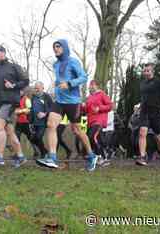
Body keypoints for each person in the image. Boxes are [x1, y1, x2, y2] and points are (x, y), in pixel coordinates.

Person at [37, 39, 98, 171]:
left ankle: (91, 155)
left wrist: (69, 84)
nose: (56, 49)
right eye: (54, 47)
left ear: (64, 48)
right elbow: (60, 79)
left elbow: (84, 77)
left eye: (58, 47)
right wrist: (57, 85)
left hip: (73, 102)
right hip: (59, 101)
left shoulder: (73, 62)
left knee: (76, 130)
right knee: (50, 124)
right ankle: (52, 157)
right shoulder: (56, 64)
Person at [0, 45, 29, 167]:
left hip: (10, 101)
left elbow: (25, 81)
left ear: (3, 53)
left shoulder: (13, 67)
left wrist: (13, 85)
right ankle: (20, 156)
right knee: (9, 132)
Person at [137, 63, 160, 166]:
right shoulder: (142, 84)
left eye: (148, 71)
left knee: (157, 135)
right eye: (145, 71)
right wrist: (140, 105)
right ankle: (142, 157)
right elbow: (144, 97)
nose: (146, 72)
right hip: (144, 111)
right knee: (142, 133)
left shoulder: (158, 82)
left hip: (156, 112)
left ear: (152, 72)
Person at [83, 80, 113, 163]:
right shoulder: (89, 97)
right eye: (90, 85)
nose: (91, 87)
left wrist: (99, 108)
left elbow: (110, 106)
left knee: (92, 137)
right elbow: (86, 110)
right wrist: (83, 107)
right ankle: (103, 156)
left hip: (99, 120)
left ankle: (100, 156)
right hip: (90, 122)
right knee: (95, 139)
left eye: (93, 85)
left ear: (97, 86)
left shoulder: (102, 94)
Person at [30, 81, 53, 158]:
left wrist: (45, 113)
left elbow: (52, 108)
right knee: (33, 139)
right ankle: (44, 151)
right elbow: (31, 109)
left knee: (38, 137)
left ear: (42, 88)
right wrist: (30, 121)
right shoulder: (33, 97)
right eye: (35, 88)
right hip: (34, 122)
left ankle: (44, 153)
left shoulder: (47, 97)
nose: (36, 90)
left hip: (43, 122)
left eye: (38, 88)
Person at [15, 88, 39, 158]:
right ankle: (18, 154)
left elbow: (30, 109)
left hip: (26, 122)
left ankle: (36, 151)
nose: (19, 92)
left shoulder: (26, 99)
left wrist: (21, 111)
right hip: (18, 122)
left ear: (23, 92)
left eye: (20, 91)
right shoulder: (16, 99)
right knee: (16, 138)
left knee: (30, 138)